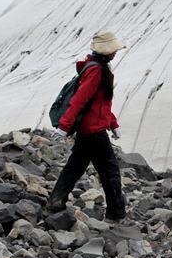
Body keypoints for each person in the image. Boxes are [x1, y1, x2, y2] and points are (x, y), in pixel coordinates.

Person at [48, 31, 127, 222]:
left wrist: (113, 123)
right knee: (110, 171)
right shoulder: (97, 71)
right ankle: (115, 214)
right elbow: (80, 100)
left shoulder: (96, 68)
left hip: (88, 129)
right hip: (94, 131)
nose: (115, 52)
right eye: (113, 49)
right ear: (106, 51)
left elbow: (99, 103)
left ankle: (56, 200)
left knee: (75, 166)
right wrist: (64, 126)